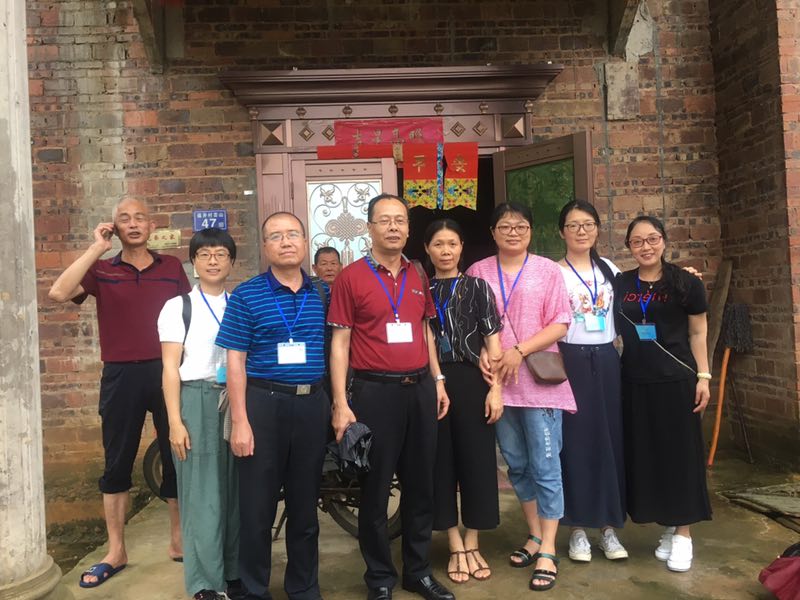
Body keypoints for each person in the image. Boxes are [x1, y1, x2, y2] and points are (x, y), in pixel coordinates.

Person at [48, 198, 189, 588]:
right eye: (124, 219)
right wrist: (97, 248)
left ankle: (178, 541)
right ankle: (116, 551)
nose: (133, 223)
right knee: (117, 462)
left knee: (177, 456)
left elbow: (189, 315)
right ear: (114, 227)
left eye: (140, 217)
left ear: (151, 225)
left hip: (168, 371)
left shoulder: (171, 267)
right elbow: (58, 293)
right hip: (121, 375)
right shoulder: (102, 270)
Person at [327, 193, 454, 600]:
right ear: (370, 228)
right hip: (374, 392)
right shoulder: (350, 278)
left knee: (421, 486)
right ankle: (380, 577)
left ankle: (418, 571)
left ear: (408, 229)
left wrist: (437, 380)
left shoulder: (418, 274)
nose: (394, 227)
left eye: (400, 220)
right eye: (385, 220)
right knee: (376, 490)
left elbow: (426, 330)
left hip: (419, 390)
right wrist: (341, 403)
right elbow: (340, 344)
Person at [216, 212, 330, 600]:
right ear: (265, 246)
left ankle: (304, 588)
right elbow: (235, 361)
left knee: (305, 507)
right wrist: (240, 421)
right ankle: (253, 590)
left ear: (305, 242)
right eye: (276, 236)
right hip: (262, 406)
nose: (286, 242)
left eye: (293, 234)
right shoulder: (247, 295)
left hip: (311, 405)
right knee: (257, 508)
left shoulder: (322, 294)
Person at [466, 202, 573, 593]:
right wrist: (481, 350)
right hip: (498, 386)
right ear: (493, 232)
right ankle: (534, 535)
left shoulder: (547, 270)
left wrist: (519, 350)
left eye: (521, 226)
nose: (513, 232)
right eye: (505, 226)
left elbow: (561, 323)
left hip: (539, 383)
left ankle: (549, 548)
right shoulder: (477, 271)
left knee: (546, 466)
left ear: (531, 231)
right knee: (517, 465)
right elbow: (469, 323)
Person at [615, 215, 711, 572]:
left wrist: (704, 376)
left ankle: (684, 533)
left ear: (664, 241)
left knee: (681, 456)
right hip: (635, 381)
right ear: (629, 246)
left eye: (653, 238)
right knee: (649, 456)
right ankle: (669, 525)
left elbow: (698, 333)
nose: (646, 246)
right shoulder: (621, 283)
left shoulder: (685, 282)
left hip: (677, 380)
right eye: (637, 241)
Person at [158, 228, 242, 600]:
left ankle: (233, 573)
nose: (212, 261)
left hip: (235, 400)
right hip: (197, 400)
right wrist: (175, 422)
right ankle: (205, 583)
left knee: (235, 491)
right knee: (202, 494)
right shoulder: (178, 307)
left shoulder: (239, 303)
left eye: (221, 254)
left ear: (231, 262)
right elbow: (169, 368)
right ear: (193, 262)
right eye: (204, 254)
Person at [423, 219, 504, 585]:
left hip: (474, 380)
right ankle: (454, 542)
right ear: (427, 249)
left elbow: (493, 341)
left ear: (461, 248)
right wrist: (436, 379)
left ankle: (473, 540)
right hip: (434, 382)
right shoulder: (420, 289)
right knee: (440, 462)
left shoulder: (477, 286)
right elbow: (424, 338)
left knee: (477, 460)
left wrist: (496, 389)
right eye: (438, 244)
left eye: (452, 244)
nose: (446, 251)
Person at [555, 200, 627, 563]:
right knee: (575, 442)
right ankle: (578, 528)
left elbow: (641, 296)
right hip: (570, 362)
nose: (581, 231)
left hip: (607, 360)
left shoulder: (611, 270)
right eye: (573, 225)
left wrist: (682, 276)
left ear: (598, 229)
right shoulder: (555, 273)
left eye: (588, 224)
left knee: (610, 440)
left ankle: (609, 527)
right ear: (562, 232)